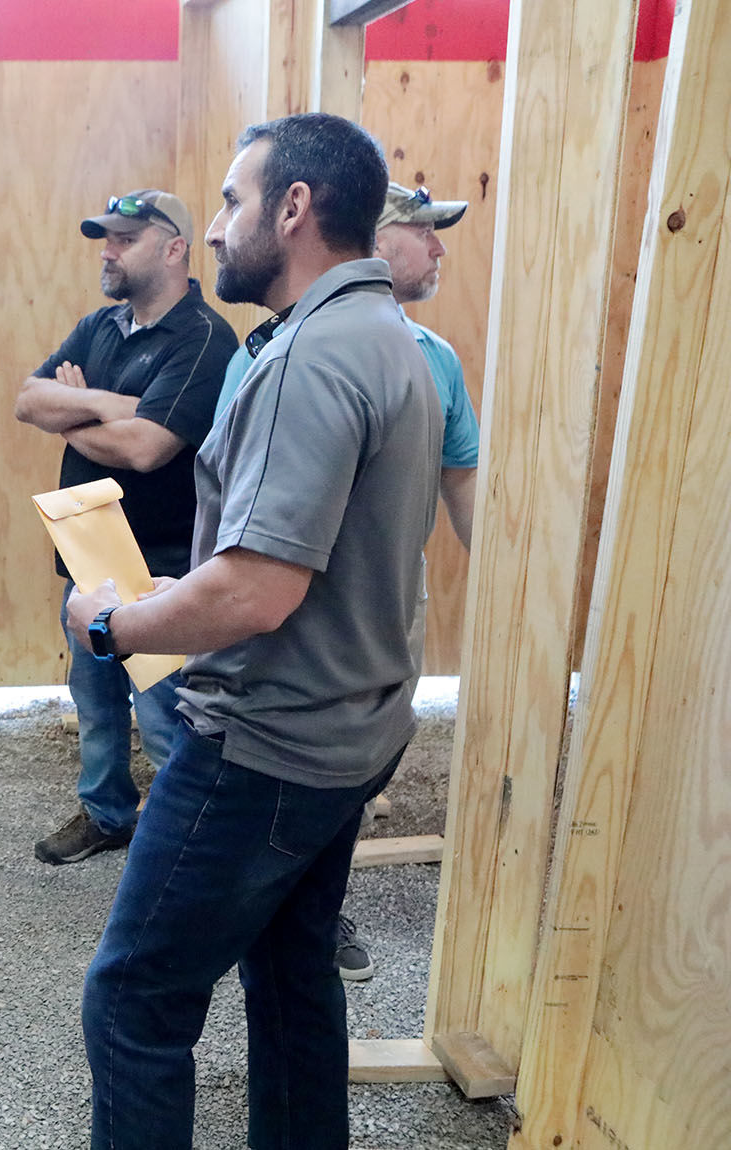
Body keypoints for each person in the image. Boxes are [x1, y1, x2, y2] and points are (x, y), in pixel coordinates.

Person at [65, 114, 441, 1149]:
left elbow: (256, 592)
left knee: (133, 1002)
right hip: (348, 731)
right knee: (289, 973)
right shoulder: (386, 337)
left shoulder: (308, 357)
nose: (220, 228)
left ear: (293, 207)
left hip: (265, 743)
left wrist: (113, 623)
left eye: (232, 202)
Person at [214, 178, 480, 980]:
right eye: (424, 232)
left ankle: (311, 908)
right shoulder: (274, 355)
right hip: (287, 620)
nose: (437, 250)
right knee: (278, 778)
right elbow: (237, 508)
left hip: (384, 600)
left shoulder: (436, 360)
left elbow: (463, 484)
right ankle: (271, 909)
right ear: (372, 237)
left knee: (361, 760)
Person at [14, 189, 236, 866]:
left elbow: (150, 449)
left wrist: (75, 413)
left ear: (174, 248)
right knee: (97, 702)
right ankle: (107, 814)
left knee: (167, 717)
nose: (108, 252)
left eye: (125, 239)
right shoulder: (100, 326)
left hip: (160, 569)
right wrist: (108, 404)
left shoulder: (204, 337)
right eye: (105, 239)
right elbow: (29, 400)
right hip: (86, 558)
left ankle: (175, 847)